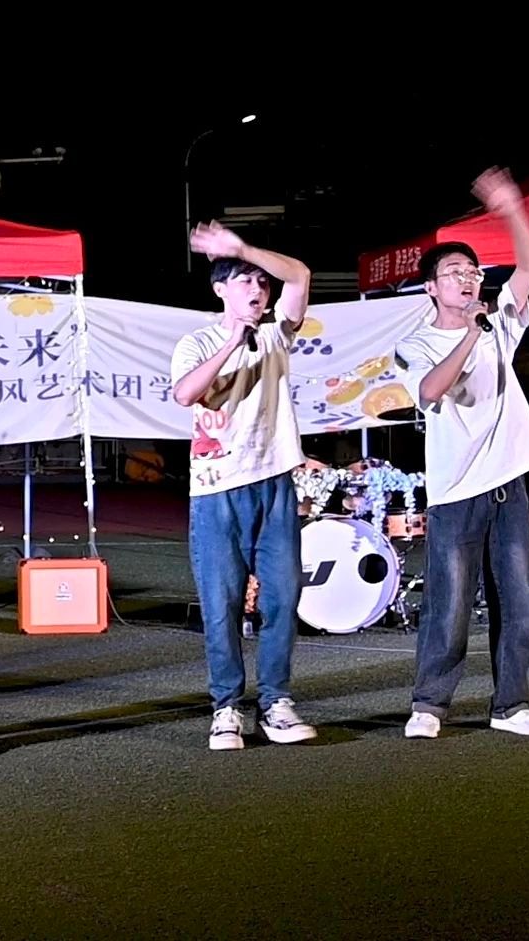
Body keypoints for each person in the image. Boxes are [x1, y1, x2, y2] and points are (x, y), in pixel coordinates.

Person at [396, 167, 529, 739]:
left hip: (508, 481)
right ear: (431, 288)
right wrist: (471, 332)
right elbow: (431, 390)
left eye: (473, 271)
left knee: (517, 602)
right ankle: (429, 705)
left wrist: (511, 207)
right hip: (456, 489)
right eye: (454, 273)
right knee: (450, 603)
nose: (467, 279)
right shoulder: (415, 343)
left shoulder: (500, 322)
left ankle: (511, 706)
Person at [170, 221, 318, 750]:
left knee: (283, 596)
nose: (257, 288)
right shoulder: (198, 341)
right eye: (243, 279)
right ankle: (226, 707)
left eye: (261, 281)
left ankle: (276, 701)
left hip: (274, 481)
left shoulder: (277, 334)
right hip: (217, 489)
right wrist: (233, 340)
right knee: (223, 602)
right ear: (220, 290)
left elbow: (300, 276)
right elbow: (185, 394)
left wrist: (244, 249)